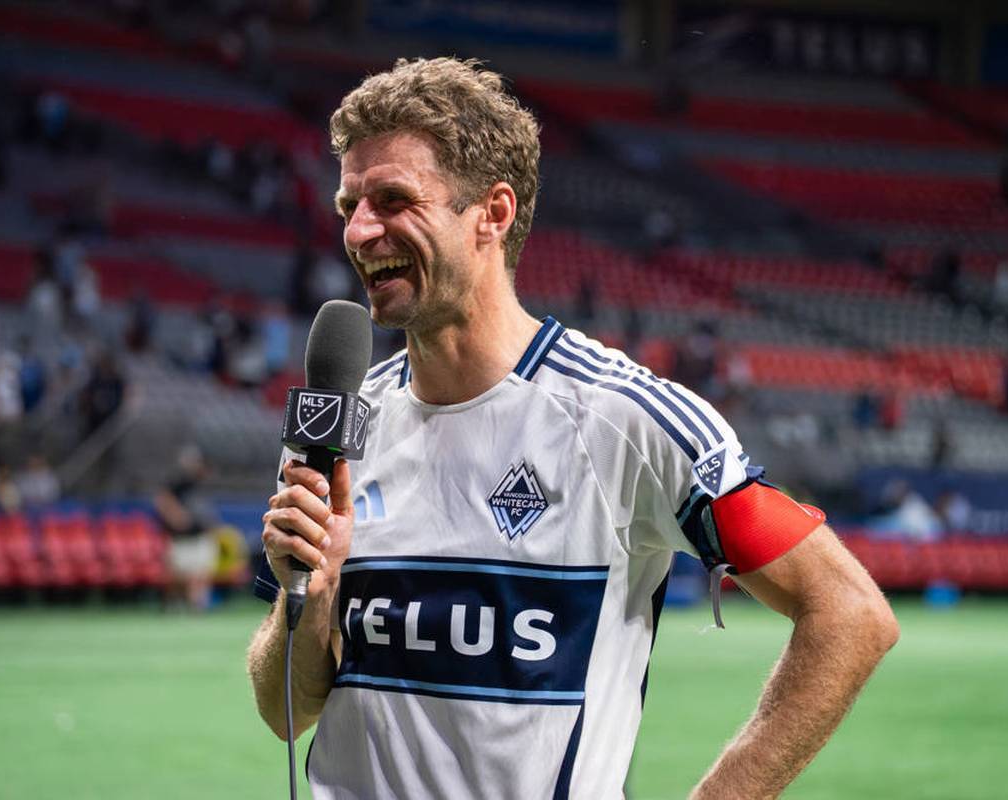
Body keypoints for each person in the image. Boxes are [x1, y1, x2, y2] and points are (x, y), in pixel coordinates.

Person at [246, 58, 898, 799]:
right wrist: (314, 594)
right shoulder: (338, 429)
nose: (361, 231)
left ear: (492, 213)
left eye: (393, 201)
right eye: (349, 206)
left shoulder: (624, 420)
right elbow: (288, 713)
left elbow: (849, 612)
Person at [153, 445, 217, 611]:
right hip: (182, 538)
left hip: (200, 536)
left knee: (200, 575)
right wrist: (176, 515)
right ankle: (173, 605)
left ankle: (197, 607)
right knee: (178, 577)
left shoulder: (202, 483)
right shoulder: (179, 481)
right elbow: (163, 499)